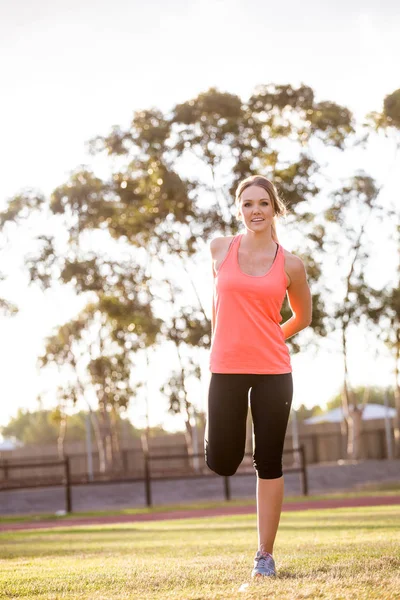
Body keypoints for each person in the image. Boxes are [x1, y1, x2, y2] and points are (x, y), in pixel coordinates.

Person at [205, 174, 312, 578]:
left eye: (263, 203)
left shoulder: (291, 264)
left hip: (273, 370)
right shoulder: (219, 249)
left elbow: (303, 316)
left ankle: (264, 556)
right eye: (248, 203)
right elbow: (218, 305)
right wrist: (225, 344)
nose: (255, 211)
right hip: (226, 367)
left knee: (268, 461)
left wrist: (269, 337)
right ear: (239, 208)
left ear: (275, 209)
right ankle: (215, 438)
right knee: (223, 461)